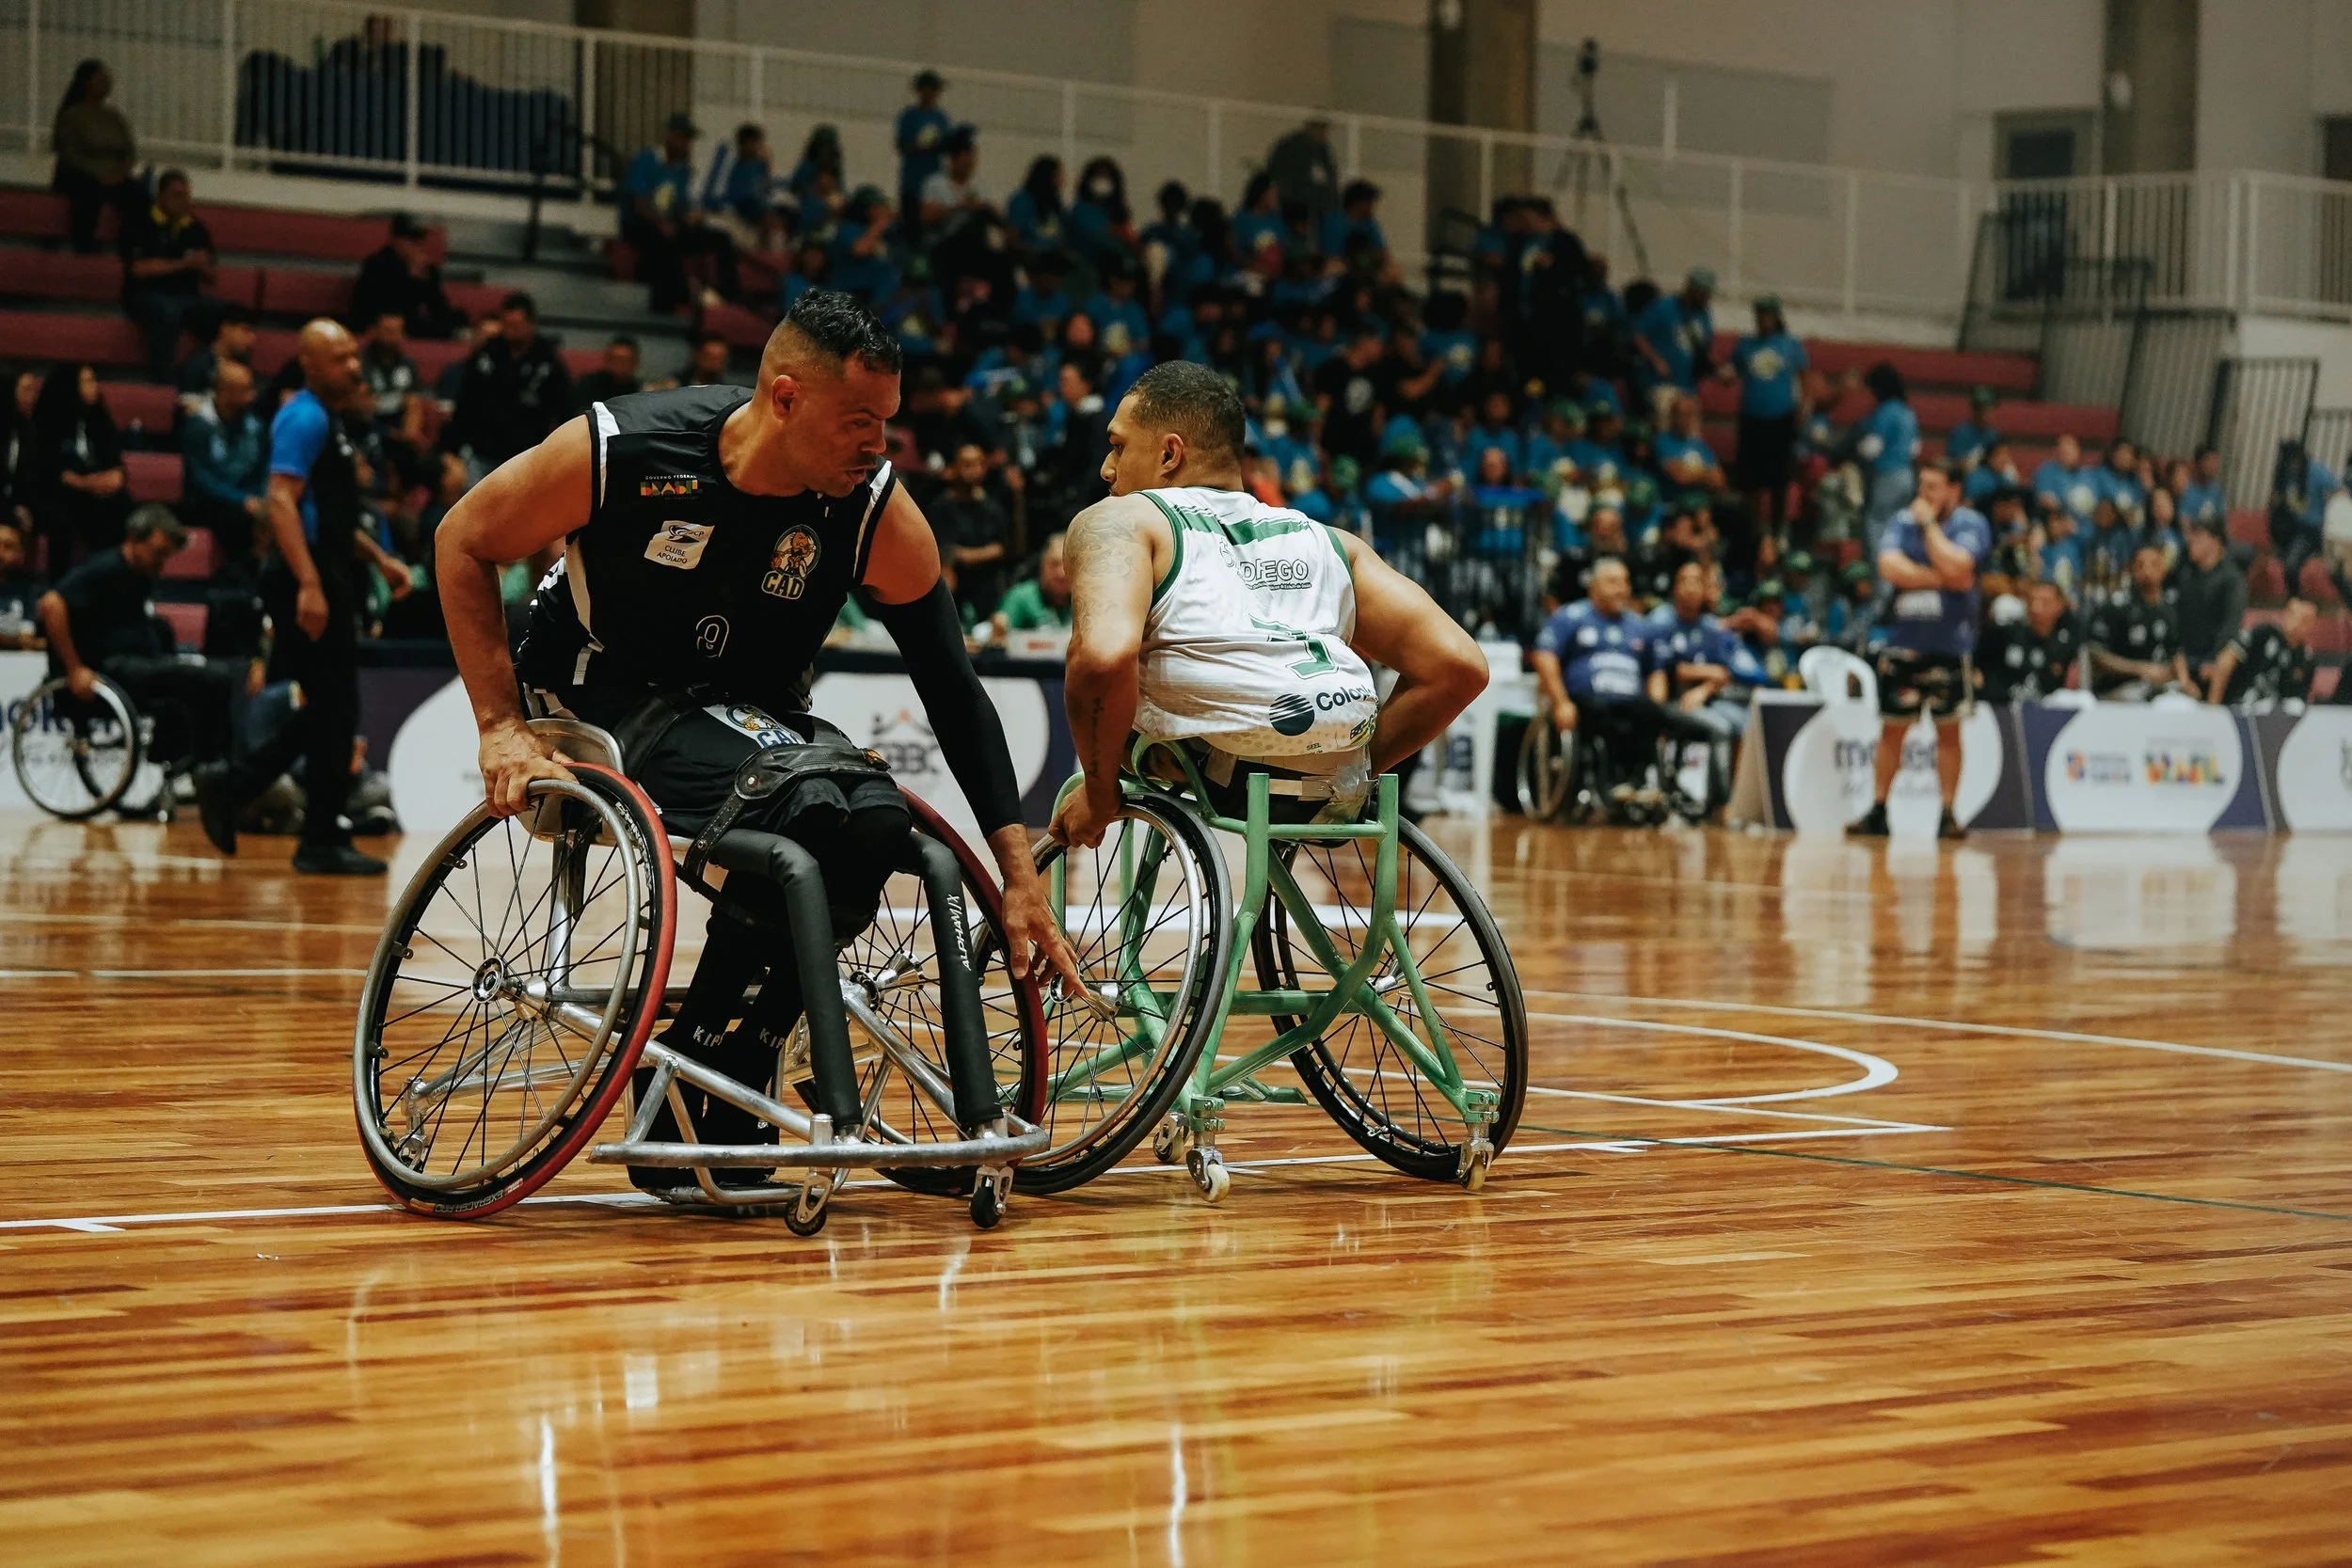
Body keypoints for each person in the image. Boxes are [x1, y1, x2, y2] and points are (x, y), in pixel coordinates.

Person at [432, 288, 1079, 1191]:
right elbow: (463, 538)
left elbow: (953, 684)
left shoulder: (872, 512)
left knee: (875, 819)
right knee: (805, 807)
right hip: (598, 698)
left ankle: (707, 1059)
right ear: (784, 398)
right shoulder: (622, 450)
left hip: (750, 714)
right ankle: (710, 1075)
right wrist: (500, 726)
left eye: (887, 422)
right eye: (859, 421)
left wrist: (1017, 872)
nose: (879, 446)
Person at [1050, 359, 1485, 849]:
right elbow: (1460, 667)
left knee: (1117, 710)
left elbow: (1102, 659)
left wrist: (1100, 791)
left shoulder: (1122, 519)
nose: (1107, 468)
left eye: (1118, 446)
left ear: (1170, 454)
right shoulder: (1328, 541)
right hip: (1330, 781)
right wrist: (1353, 772)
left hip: (1219, 770)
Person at [193, 320, 414, 876]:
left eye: (352, 354)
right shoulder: (303, 416)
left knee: (330, 709)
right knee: (334, 709)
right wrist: (310, 583)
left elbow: (328, 515)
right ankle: (310, 834)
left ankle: (241, 787)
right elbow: (281, 503)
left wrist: (379, 559)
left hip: (327, 569)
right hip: (304, 578)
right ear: (310, 364)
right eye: (339, 358)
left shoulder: (329, 420)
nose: (354, 365)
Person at [38, 506, 243, 774]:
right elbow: (52, 604)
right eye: (157, 552)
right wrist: (75, 669)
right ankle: (213, 770)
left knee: (209, 681)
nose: (161, 562)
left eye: (166, 556)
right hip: (110, 668)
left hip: (136, 662)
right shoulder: (105, 568)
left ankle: (195, 760)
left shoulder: (141, 575)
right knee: (210, 676)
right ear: (134, 539)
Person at [1855, 462, 1989, 840]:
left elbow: (1962, 565)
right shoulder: (1901, 520)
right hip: (1904, 644)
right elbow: (1888, 567)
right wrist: (1943, 578)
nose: (1923, 495)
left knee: (1948, 733)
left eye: (1933, 487)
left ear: (1953, 490)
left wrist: (1930, 528)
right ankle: (1878, 810)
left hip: (1950, 646)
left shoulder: (1969, 524)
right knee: (1892, 730)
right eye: (1922, 486)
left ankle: (1947, 813)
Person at [1531, 557, 1714, 814]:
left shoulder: (1640, 626)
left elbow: (1656, 672)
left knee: (1654, 715)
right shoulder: (1570, 617)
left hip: (1630, 700)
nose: (1621, 588)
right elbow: (1545, 657)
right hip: (1586, 699)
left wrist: (1656, 706)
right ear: (1593, 586)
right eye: (1612, 582)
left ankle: (1640, 783)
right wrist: (1561, 703)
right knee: (1605, 715)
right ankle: (1616, 781)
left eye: (1625, 582)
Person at [1649, 556, 1768, 810]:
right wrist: (1705, 672)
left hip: (1705, 701)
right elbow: (1666, 669)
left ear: (1705, 590)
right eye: (1685, 581)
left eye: (1697, 582)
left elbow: (1724, 673)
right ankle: (1722, 804)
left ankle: (1744, 799)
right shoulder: (1661, 620)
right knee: (1721, 728)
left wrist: (1703, 689)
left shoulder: (1710, 627)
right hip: (1668, 701)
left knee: (1748, 724)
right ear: (1675, 587)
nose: (1691, 588)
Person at [623, 113, 739, 313]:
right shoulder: (647, 160)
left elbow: (677, 206)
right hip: (641, 225)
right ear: (671, 137)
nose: (688, 145)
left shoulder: (683, 170)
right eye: (685, 139)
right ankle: (673, 297)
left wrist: (690, 218)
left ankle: (731, 296)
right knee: (663, 240)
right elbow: (639, 203)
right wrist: (661, 222)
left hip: (668, 225)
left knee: (720, 240)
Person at [450, 293, 574, 474]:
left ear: (531, 325)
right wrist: (455, 448)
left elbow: (564, 409)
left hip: (527, 456)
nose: (511, 331)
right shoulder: (488, 353)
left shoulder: (547, 361)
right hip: (482, 452)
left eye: (517, 326)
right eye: (507, 326)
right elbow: (465, 401)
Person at [1723, 295, 1807, 549]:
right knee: (1750, 480)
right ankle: (1752, 530)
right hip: (1752, 418)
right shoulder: (1745, 345)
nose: (1764, 320)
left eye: (1769, 315)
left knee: (1778, 479)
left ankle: (1777, 529)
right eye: (1760, 315)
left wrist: (1802, 411)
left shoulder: (1790, 345)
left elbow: (1805, 380)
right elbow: (1731, 374)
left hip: (1780, 419)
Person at [119, 169, 223, 375]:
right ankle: (162, 376)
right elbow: (138, 269)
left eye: (187, 196)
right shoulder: (141, 222)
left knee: (222, 311)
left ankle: (205, 372)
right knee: (167, 311)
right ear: (161, 196)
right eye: (177, 195)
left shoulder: (195, 228)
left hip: (187, 296)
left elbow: (212, 276)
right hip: (147, 295)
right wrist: (184, 264)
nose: (184, 202)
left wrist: (203, 266)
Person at [31, 363, 131, 570]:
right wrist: (88, 483)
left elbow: (115, 466)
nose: (95, 387)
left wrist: (115, 477)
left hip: (94, 492)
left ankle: (112, 579)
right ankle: (60, 588)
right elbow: (56, 474)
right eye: (87, 382)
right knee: (61, 521)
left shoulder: (100, 419)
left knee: (119, 507)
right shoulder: (49, 422)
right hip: (59, 495)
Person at [178, 358, 268, 573]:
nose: (252, 396)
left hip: (249, 500)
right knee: (236, 520)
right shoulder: (197, 427)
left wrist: (260, 498)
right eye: (245, 391)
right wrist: (242, 500)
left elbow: (263, 470)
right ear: (224, 393)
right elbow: (200, 479)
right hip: (209, 503)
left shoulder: (256, 427)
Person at [52, 60, 138, 254]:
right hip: (83, 175)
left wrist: (122, 172)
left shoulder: (114, 117)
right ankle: (84, 251)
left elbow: (129, 150)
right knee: (87, 198)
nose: (107, 83)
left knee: (139, 197)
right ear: (86, 82)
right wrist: (97, 174)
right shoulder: (72, 116)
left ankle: (129, 250)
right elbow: (68, 153)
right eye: (101, 79)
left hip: (115, 176)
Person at [2087, 542, 2190, 701]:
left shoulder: (2169, 609)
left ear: (2163, 570)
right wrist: (2140, 669)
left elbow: (2175, 650)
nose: (2147, 570)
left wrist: (2185, 682)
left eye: (2153, 565)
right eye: (2141, 565)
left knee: (2185, 705)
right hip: (2119, 689)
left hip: (2161, 689)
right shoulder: (2116, 606)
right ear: (2132, 569)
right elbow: (2096, 654)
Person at [930, 441, 1011, 620]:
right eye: (966, 464)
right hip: (952, 590)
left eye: (977, 464)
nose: (972, 470)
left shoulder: (993, 508)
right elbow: (941, 549)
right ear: (954, 468)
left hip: (987, 591)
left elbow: (1003, 548)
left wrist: (963, 554)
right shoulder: (939, 508)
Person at [350, 214, 460, 341]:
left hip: (411, 324)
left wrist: (422, 279)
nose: (415, 245)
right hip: (379, 322)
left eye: (419, 240)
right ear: (396, 240)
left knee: (452, 322)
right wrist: (411, 279)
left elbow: (438, 306)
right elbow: (376, 303)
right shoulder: (377, 264)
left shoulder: (427, 270)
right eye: (410, 240)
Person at [1851, 361, 1919, 557]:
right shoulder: (1907, 412)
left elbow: (1872, 448)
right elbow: (1915, 448)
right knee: (1897, 528)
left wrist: (1857, 449)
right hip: (1907, 475)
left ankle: (1881, 579)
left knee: (1876, 525)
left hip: (1888, 475)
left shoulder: (1885, 411)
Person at [1976, 578, 2081, 703]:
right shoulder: (2003, 633)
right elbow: (1976, 666)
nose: (2035, 608)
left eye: (2044, 602)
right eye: (2031, 601)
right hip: (1997, 709)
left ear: (2060, 605)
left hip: (2045, 713)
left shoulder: (2065, 644)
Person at [1631, 268, 1714, 420]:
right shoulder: (1663, 307)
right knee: (1664, 427)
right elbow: (1638, 335)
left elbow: (1705, 346)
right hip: (1663, 384)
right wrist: (1656, 360)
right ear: (1692, 290)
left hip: (1689, 386)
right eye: (1703, 294)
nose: (1706, 298)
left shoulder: (1704, 314)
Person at [2174, 518, 2248, 689]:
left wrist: (2213, 658)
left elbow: (2231, 624)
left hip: (2212, 655)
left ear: (2216, 540)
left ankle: (2212, 711)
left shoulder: (2232, 579)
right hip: (2184, 657)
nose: (2191, 540)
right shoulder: (2185, 574)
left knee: (2227, 659)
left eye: (2198, 536)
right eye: (2190, 535)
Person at [2207, 595, 2316, 709]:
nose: (2297, 623)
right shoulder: (2263, 633)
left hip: (2276, 715)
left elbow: (2299, 699)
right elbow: (2227, 658)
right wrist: (2214, 706)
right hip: (2241, 706)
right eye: (2293, 615)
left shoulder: (2306, 659)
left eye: (2305, 620)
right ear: (2285, 614)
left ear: (2312, 625)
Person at [896, 71, 953, 239]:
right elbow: (902, 145)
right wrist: (922, 145)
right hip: (912, 182)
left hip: (934, 181)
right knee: (911, 228)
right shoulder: (909, 116)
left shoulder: (941, 117)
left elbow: (947, 146)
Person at [1264, 119, 1339, 241]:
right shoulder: (1290, 147)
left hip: (1319, 210)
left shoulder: (1322, 150)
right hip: (1294, 208)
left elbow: (1329, 177)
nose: (1323, 134)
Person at [175, 304, 256, 415]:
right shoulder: (197, 365)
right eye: (246, 330)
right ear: (225, 329)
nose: (252, 338)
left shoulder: (242, 367)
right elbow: (189, 408)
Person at [992, 530, 1072, 640]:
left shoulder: (1089, 600)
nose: (1061, 573)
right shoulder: (1021, 597)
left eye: (1067, 565)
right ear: (1042, 566)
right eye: (1054, 564)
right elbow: (999, 634)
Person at [0, 515, 45, 647]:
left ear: (21, 553)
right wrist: (17, 640)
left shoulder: (32, 590)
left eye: (8, 547)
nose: (0, 553)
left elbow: (29, 637)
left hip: (22, 664)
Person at [573, 335, 643, 412]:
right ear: (607, 359)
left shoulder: (637, 390)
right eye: (615, 360)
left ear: (635, 363)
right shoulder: (589, 383)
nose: (619, 366)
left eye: (624, 362)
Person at [1945, 387, 2000, 469]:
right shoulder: (1961, 433)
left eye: (1990, 411)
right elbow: (1953, 462)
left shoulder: (1993, 435)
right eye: (1983, 411)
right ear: (1975, 412)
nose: (1987, 415)